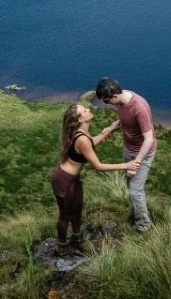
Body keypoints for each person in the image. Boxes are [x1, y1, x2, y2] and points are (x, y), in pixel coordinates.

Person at [51, 103, 134, 250]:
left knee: (77, 209)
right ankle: (62, 246)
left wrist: (110, 129)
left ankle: (76, 238)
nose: (89, 109)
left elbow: (90, 142)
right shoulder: (82, 138)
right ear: (80, 119)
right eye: (84, 110)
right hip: (64, 180)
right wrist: (126, 165)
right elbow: (98, 166)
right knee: (65, 215)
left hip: (73, 179)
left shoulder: (82, 132)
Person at [95, 77, 157, 232]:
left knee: (135, 191)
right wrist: (111, 127)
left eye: (106, 101)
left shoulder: (139, 107)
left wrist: (136, 163)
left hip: (143, 152)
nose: (106, 103)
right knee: (130, 186)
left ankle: (144, 227)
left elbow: (149, 139)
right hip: (129, 148)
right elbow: (123, 119)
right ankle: (136, 214)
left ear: (114, 95)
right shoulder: (122, 100)